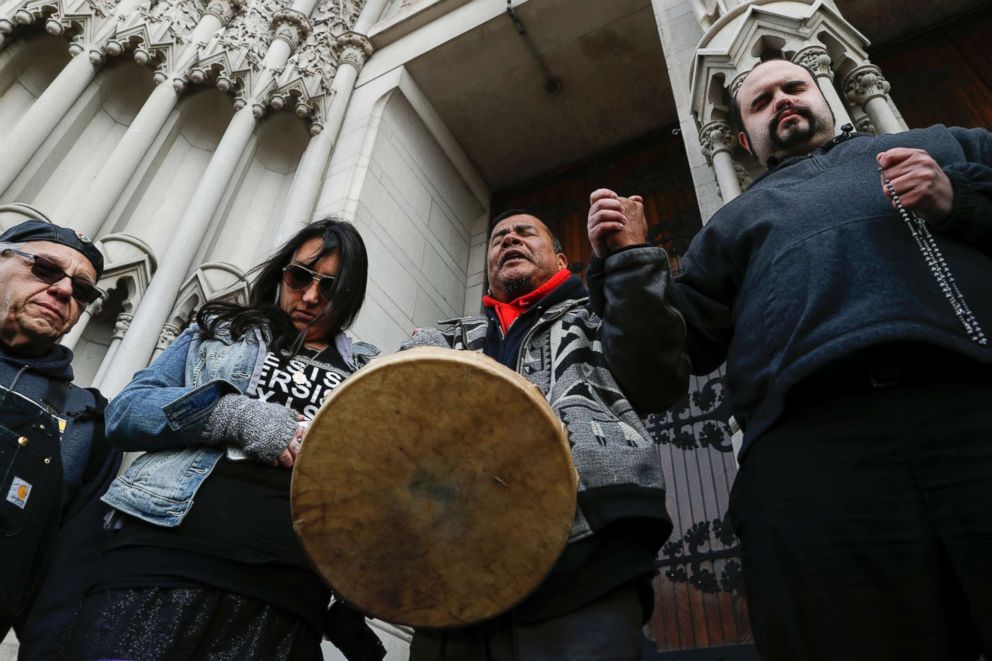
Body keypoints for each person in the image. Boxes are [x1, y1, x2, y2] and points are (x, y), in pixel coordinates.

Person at [589, 58, 992, 660]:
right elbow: (659, 372)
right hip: (812, 454)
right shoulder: (728, 227)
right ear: (745, 140)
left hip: (971, 402)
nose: (781, 100)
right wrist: (629, 264)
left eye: (793, 87)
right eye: (761, 101)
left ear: (826, 94)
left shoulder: (944, 146)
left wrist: (960, 198)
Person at [66, 218, 385, 660]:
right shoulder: (220, 331)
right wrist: (230, 415)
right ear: (282, 274)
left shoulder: (369, 375)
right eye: (301, 277)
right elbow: (125, 413)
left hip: (285, 595)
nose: (311, 297)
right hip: (159, 560)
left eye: (331, 288)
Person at [404, 209, 690, 660]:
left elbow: (659, 379)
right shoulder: (449, 336)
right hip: (457, 571)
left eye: (524, 233)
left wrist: (631, 259)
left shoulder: (600, 313)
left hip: (586, 556)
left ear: (561, 260)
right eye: (499, 237)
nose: (509, 240)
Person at [0, 219, 122, 658]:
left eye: (83, 290)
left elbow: (64, 587)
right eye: (46, 269)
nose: (65, 291)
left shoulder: (87, 423)